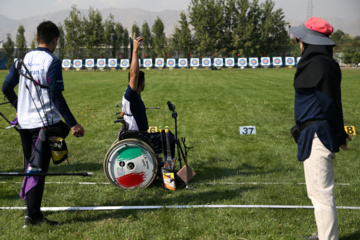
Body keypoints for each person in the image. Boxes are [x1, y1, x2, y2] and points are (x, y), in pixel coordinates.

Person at [2, 21, 85, 227]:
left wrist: (19, 108)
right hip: (43, 126)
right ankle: (34, 217)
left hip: (24, 124)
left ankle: (32, 214)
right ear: (55, 40)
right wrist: (73, 124)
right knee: (37, 170)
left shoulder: (21, 59)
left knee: (33, 168)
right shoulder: (52, 61)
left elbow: (6, 87)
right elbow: (56, 95)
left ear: (37, 39)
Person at [290, 17, 351, 240]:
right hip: (315, 133)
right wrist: (339, 134)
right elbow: (331, 102)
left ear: (308, 41)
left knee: (321, 194)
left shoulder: (318, 65)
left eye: (300, 39)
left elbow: (328, 104)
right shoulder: (321, 64)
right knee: (316, 192)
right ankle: (324, 234)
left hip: (317, 134)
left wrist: (338, 134)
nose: (299, 43)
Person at [121, 33, 175, 158]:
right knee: (169, 137)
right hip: (141, 137)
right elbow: (134, 74)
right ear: (142, 83)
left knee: (164, 133)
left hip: (138, 134)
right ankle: (169, 167)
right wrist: (135, 50)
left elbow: (123, 111)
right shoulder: (132, 94)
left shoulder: (129, 95)